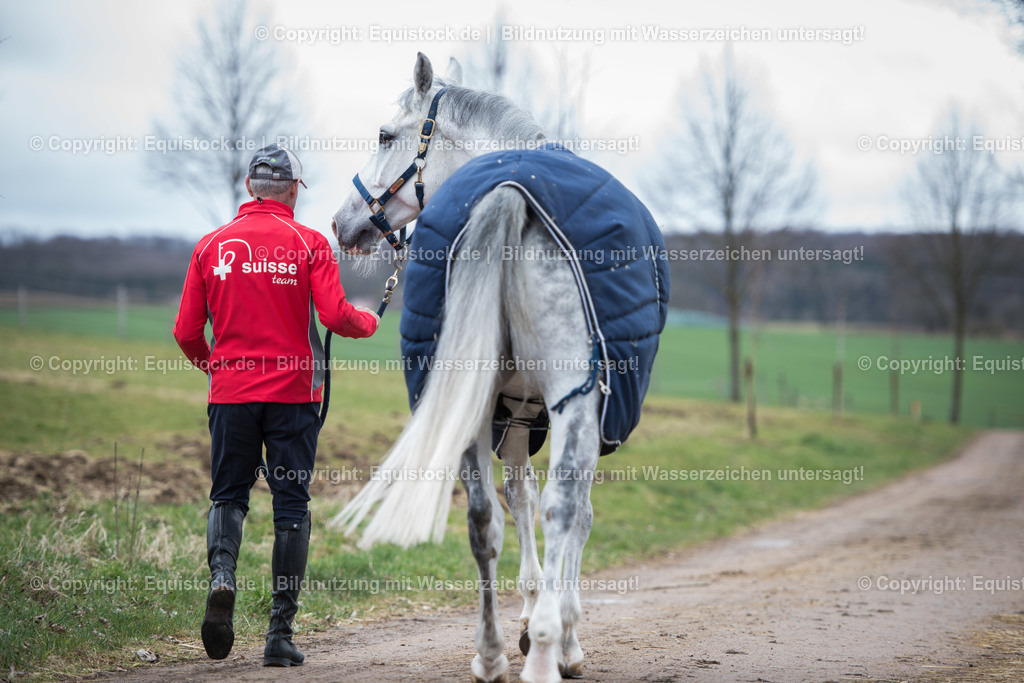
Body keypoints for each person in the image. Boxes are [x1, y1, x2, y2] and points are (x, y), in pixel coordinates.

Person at [172, 144, 379, 667]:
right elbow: (334, 316)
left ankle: (222, 577)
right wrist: (370, 321)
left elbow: (185, 332)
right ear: (292, 190)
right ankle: (279, 635)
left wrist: (216, 369)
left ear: (249, 188)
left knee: (229, 497)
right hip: (293, 397)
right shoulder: (308, 243)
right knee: (291, 507)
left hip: (232, 395)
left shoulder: (210, 246)